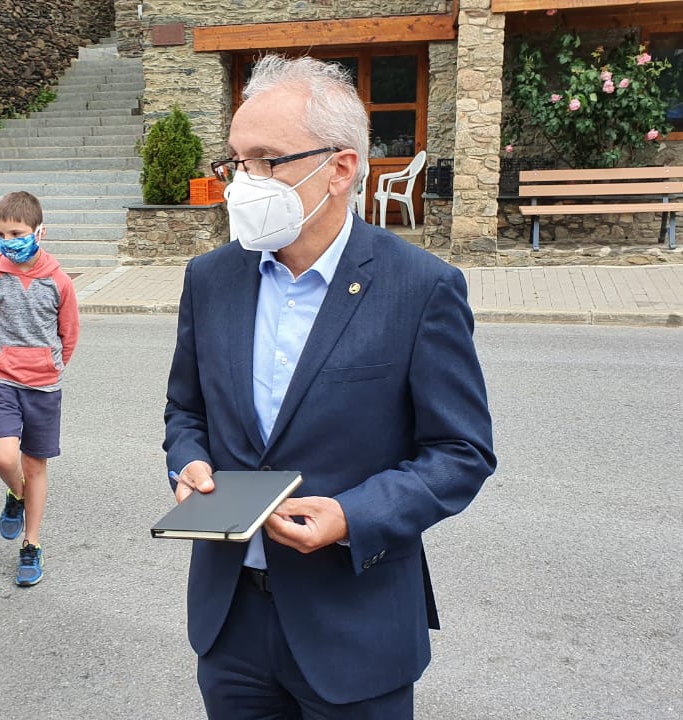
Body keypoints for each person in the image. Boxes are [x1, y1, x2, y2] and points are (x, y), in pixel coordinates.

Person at [162, 56, 496, 718]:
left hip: (355, 628)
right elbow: (185, 410)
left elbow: (461, 453)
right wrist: (188, 461)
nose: (243, 184)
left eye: (267, 161)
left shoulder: (420, 288)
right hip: (230, 623)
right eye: (236, 163)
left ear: (340, 169)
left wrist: (352, 516)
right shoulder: (210, 279)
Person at [0, 191, 79, 586]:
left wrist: (49, 365)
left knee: (35, 466)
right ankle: (16, 494)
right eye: (1, 234)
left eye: (17, 233)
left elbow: (68, 334)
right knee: (6, 458)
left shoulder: (59, 281)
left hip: (44, 386)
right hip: (3, 380)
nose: (9, 241)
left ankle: (31, 543)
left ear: (40, 232)